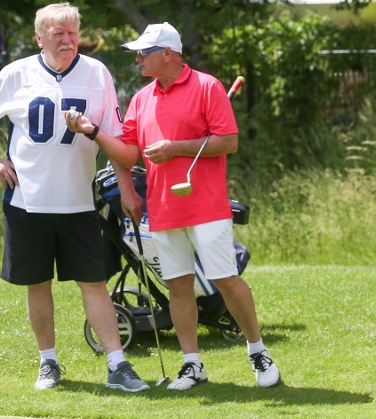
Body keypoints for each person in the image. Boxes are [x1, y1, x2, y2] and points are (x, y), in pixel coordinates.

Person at [0, 2, 150, 393]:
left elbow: (114, 138)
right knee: (37, 283)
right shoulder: (18, 73)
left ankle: (118, 364)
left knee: (94, 282)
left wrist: (127, 187)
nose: (67, 40)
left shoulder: (97, 73)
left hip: (79, 201)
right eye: (58, 33)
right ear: (39, 37)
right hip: (27, 201)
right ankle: (48, 363)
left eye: (73, 33)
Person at [106, 21, 280, 390]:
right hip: (163, 208)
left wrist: (175, 148)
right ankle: (192, 364)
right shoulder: (141, 98)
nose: (138, 58)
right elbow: (127, 152)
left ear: (167, 54)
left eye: (144, 52)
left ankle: (257, 350)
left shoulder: (207, 86)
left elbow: (228, 141)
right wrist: (95, 137)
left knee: (225, 281)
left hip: (206, 206)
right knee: (178, 287)